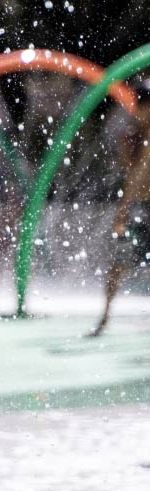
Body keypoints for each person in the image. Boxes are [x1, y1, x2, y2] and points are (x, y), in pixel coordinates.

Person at [89, 101, 150, 337]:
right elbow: (132, 175)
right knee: (118, 262)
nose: (139, 113)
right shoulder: (136, 137)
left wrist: (122, 210)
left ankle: (104, 318)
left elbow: (137, 177)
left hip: (140, 207)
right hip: (141, 207)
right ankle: (104, 317)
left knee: (119, 262)